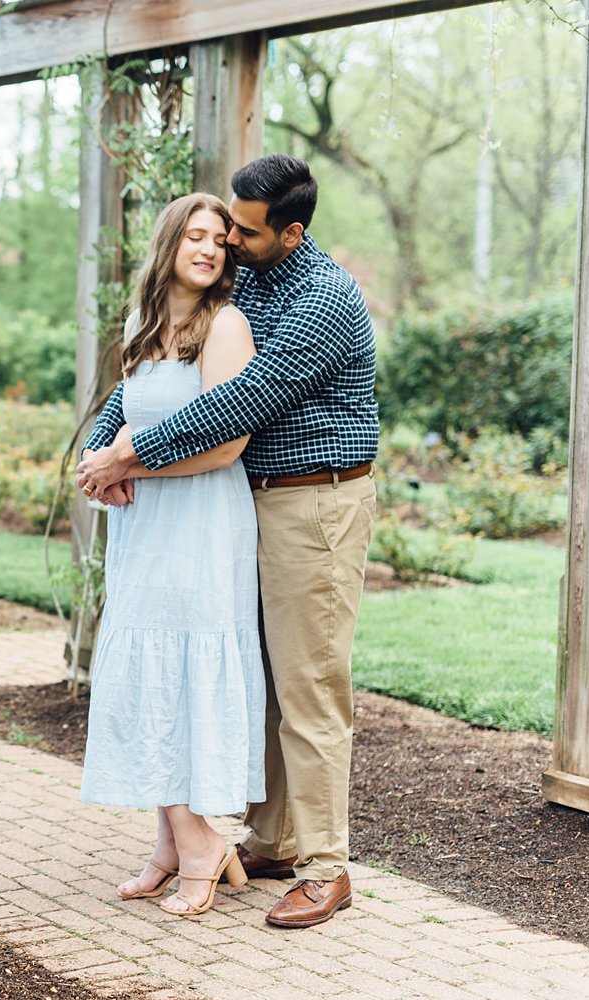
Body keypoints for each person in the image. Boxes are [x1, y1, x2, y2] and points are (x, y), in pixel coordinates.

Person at [76, 154, 378, 929]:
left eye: (243, 231)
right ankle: (275, 838)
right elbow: (152, 367)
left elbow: (236, 404)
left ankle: (326, 865)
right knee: (266, 676)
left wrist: (125, 456)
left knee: (310, 686)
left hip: (318, 500)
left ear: (292, 231)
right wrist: (103, 444)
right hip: (251, 503)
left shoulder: (323, 298)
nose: (229, 244)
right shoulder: (246, 278)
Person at [78, 192, 264, 918]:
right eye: (196, 235)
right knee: (150, 669)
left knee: (182, 670)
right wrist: (98, 462)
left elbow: (226, 442)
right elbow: (121, 416)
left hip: (202, 523)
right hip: (146, 528)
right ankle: (167, 845)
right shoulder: (145, 324)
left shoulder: (226, 325)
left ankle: (202, 844)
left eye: (220, 239)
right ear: (171, 243)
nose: (211, 248)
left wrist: (129, 467)